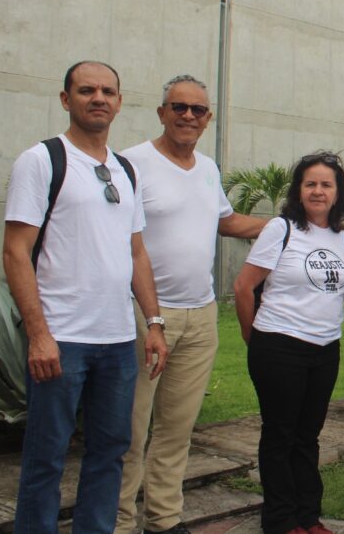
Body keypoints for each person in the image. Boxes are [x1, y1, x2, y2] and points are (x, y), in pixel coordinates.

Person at [3, 60, 169, 532]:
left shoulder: (124, 170)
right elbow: (16, 252)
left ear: (119, 102)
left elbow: (136, 253)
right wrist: (39, 335)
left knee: (109, 453)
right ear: (65, 99)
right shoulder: (42, 160)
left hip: (117, 342)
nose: (99, 98)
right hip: (62, 339)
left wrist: (153, 324)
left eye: (108, 91)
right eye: (87, 90)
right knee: (46, 458)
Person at [116, 75, 266, 534]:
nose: (188, 116)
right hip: (143, 315)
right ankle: (119, 523)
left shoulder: (206, 168)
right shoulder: (130, 164)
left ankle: (163, 519)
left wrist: (293, 224)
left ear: (208, 118)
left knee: (177, 431)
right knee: (129, 431)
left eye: (197, 110)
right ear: (161, 112)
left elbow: (227, 222)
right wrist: (151, 315)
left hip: (200, 316)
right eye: (178, 107)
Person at [232, 152, 344, 534]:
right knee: (280, 435)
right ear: (299, 191)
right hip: (279, 345)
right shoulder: (281, 229)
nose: (318, 191)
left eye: (326, 184)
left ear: (338, 193)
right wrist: (257, 340)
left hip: (326, 349)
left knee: (308, 437)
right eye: (310, 184)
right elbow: (243, 287)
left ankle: (308, 515)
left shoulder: (341, 238)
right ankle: (281, 520)